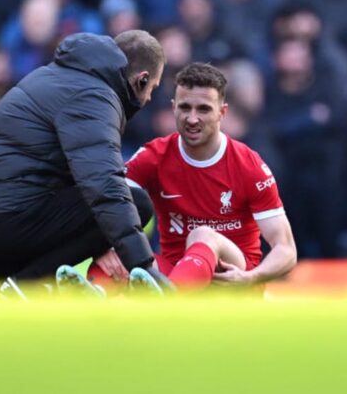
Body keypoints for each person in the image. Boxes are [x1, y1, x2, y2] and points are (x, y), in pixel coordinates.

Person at [0, 30, 168, 298]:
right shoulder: (95, 96)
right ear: (141, 80)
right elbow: (105, 186)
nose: (149, 100)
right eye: (152, 89)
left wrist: (101, 242)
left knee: (108, 210)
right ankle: (24, 287)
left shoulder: (57, 75)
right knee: (137, 203)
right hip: (0, 219)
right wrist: (144, 267)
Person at [66, 62, 297, 293]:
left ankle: (170, 302)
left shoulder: (249, 165)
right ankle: (90, 301)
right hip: (177, 273)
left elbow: (286, 250)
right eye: (185, 108)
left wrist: (251, 277)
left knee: (202, 234)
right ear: (174, 108)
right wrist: (102, 247)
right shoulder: (154, 156)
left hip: (233, 281)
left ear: (222, 112)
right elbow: (107, 199)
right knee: (117, 254)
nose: (192, 118)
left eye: (203, 109)